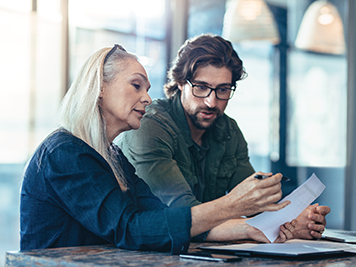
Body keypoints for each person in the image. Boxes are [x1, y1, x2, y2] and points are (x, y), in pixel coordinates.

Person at [20, 44, 296, 254]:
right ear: (100, 87)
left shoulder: (112, 156)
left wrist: (255, 229)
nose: (147, 98)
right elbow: (131, 229)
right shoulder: (65, 153)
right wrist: (231, 205)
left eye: (148, 88)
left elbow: (161, 219)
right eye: (136, 85)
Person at [118, 33, 330, 240]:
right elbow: (182, 215)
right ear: (181, 82)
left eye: (223, 89)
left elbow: (258, 206)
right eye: (201, 87)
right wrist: (252, 225)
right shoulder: (149, 126)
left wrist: (294, 220)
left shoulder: (228, 130)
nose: (211, 102)